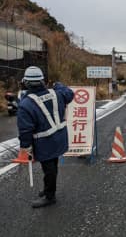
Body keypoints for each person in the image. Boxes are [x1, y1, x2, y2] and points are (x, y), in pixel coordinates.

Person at [17, 66, 74, 208]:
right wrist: (59, 84)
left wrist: (26, 147)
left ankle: (50, 196)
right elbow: (69, 93)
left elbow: (25, 130)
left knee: (49, 169)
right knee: (52, 166)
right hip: (59, 138)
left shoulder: (26, 104)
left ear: (25, 82)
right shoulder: (57, 94)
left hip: (44, 142)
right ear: (43, 81)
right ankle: (48, 189)